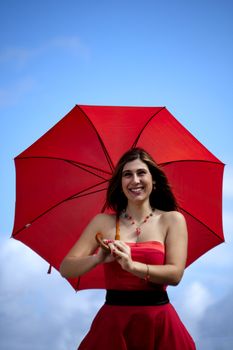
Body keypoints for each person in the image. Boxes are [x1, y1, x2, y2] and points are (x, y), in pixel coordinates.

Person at [60, 147, 196, 350]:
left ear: (154, 180)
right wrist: (97, 259)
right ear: (120, 183)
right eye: (127, 174)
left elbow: (175, 274)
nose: (135, 180)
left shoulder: (172, 220)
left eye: (141, 173)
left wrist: (133, 266)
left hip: (159, 321)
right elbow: (66, 268)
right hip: (113, 324)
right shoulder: (103, 222)